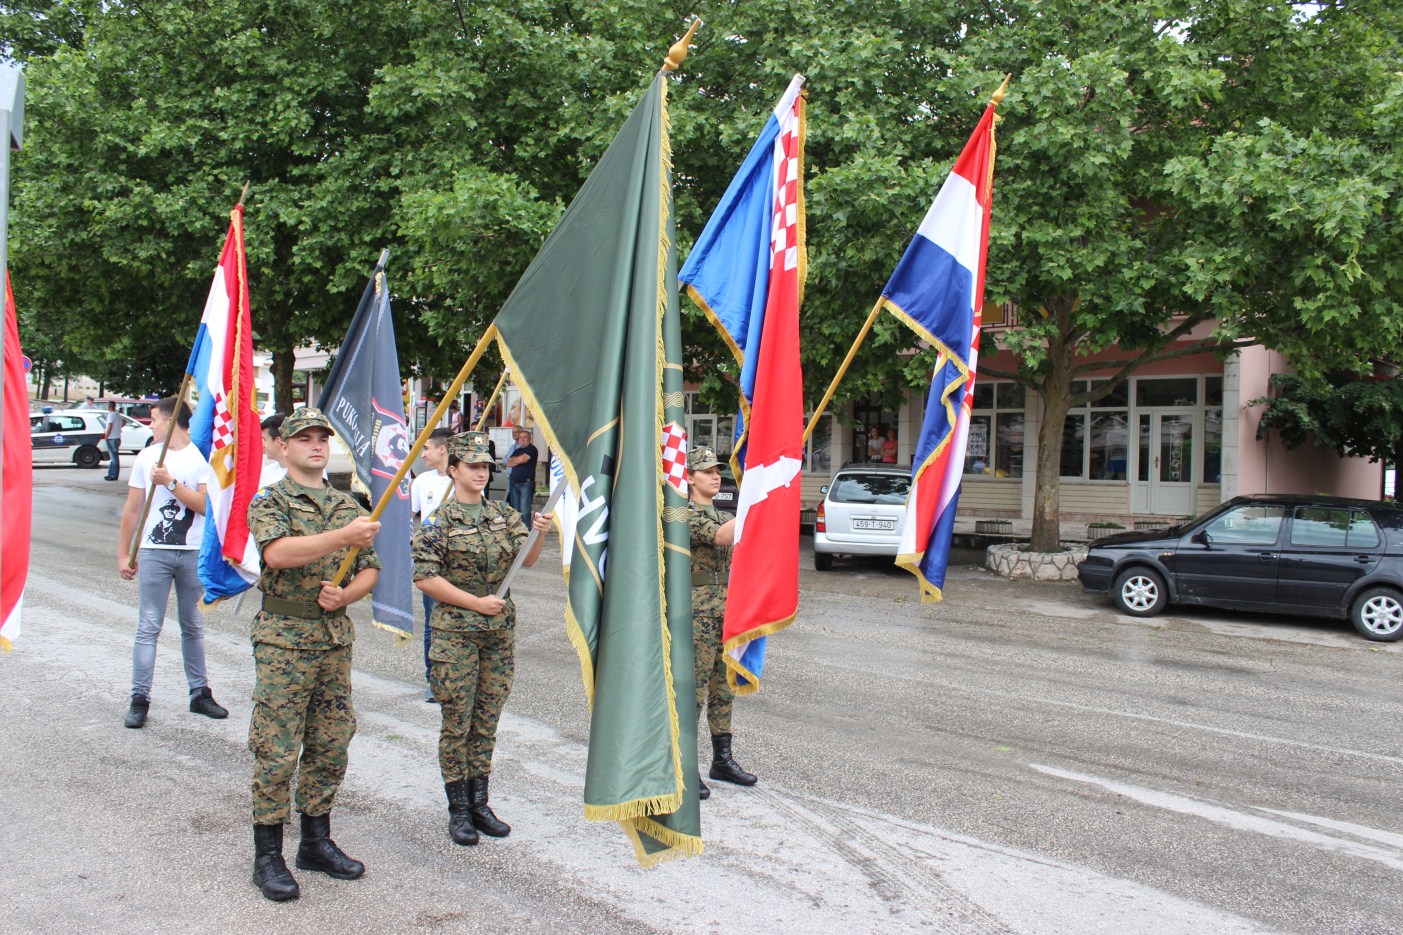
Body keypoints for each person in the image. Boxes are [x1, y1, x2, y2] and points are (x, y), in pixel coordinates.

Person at [244, 407, 382, 902]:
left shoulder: (348, 504)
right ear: (284, 447)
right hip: (284, 637)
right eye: (304, 439)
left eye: (322, 437)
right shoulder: (270, 500)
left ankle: (315, 841)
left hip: (332, 639)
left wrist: (348, 596)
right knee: (277, 747)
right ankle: (268, 855)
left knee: (330, 742)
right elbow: (277, 554)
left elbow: (370, 568)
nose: (316, 445)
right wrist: (344, 537)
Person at [412, 431, 551, 847]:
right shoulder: (440, 520)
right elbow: (425, 577)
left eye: (485, 466)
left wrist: (539, 530)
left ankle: (480, 802)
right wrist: (474, 603)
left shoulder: (501, 514)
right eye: (471, 465)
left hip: (497, 636)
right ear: (452, 470)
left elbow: (526, 559)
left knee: (486, 721)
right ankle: (458, 809)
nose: (481, 472)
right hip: (457, 635)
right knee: (458, 722)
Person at [116, 396, 228, 729]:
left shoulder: (201, 458)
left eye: (154, 419)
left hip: (192, 552)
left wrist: (170, 483)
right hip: (154, 551)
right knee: (148, 626)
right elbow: (133, 509)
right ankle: (140, 698)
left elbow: (206, 506)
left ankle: (199, 693)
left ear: (170, 420)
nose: (151, 425)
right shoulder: (147, 456)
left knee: (192, 626)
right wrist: (124, 553)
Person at [686, 446, 758, 799]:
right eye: (707, 471)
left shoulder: (720, 513)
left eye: (718, 471)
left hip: (726, 612)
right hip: (696, 613)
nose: (716, 476)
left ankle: (722, 760)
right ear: (689, 477)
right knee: (694, 691)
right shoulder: (681, 513)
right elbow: (722, 537)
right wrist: (758, 500)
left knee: (722, 687)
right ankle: (685, 766)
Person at [410, 428, 455, 703]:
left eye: (427, 448)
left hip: (457, 561)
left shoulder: (460, 478)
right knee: (432, 622)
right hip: (431, 563)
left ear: (442, 449)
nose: (423, 454)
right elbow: (407, 515)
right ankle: (433, 678)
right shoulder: (422, 481)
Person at [504, 428, 538, 518]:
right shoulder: (517, 450)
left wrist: (516, 460)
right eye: (520, 437)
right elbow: (508, 463)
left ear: (529, 438)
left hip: (526, 483)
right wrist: (517, 460)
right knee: (516, 510)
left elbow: (523, 459)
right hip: (515, 483)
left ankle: (526, 531)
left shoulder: (532, 449)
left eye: (525, 437)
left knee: (525, 510)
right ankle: (517, 531)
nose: (522, 439)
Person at [259, 413, 289, 488]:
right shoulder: (266, 473)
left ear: (278, 441)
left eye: (265, 440)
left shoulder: (306, 474)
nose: (263, 445)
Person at [103, 401, 123, 481]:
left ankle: (113, 475)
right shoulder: (118, 414)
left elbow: (110, 425)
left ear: (109, 406)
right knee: (114, 456)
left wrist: (106, 436)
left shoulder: (111, 415)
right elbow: (124, 422)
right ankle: (111, 473)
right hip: (117, 437)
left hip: (112, 438)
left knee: (114, 457)